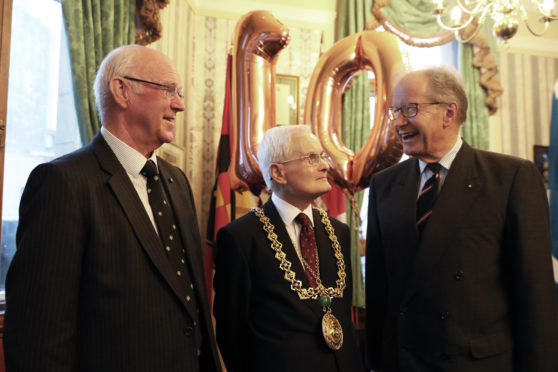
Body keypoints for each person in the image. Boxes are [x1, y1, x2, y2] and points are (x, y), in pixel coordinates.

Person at [3, 45, 222, 372]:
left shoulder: (177, 182)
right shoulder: (63, 183)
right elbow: (38, 332)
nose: (180, 104)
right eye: (168, 90)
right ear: (122, 91)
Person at [365, 65, 558, 372]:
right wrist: (375, 361)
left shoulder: (509, 178)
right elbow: (378, 286)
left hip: (476, 362)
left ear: (449, 113)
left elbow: (535, 292)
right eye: (395, 111)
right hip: (404, 360)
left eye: (410, 109)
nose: (399, 122)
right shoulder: (384, 184)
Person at [213, 125, 364, 372]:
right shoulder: (240, 237)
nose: (325, 165)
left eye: (322, 156)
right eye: (311, 158)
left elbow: (342, 316)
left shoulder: (339, 232)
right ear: (278, 172)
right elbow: (232, 332)